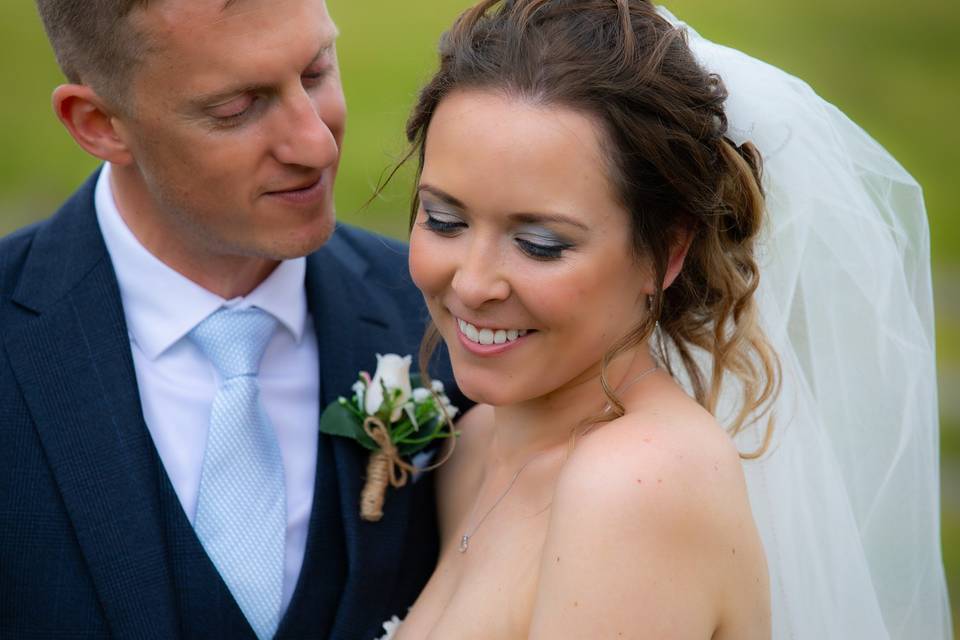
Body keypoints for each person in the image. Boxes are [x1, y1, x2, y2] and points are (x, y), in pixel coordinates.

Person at [382, 1, 953, 638]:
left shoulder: (634, 486)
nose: (472, 282)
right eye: (443, 220)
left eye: (540, 243)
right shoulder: (478, 444)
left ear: (667, 252)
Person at [0, 1, 459, 638]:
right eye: (238, 108)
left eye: (316, 71)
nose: (317, 143)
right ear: (100, 123)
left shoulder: (449, 318)